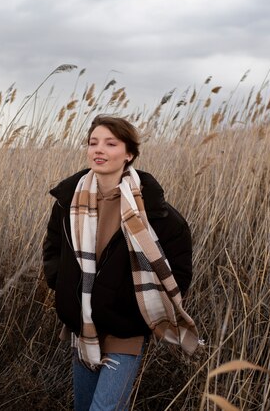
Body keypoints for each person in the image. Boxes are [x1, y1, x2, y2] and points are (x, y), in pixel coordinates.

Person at [43, 115, 200, 410]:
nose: (98, 150)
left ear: (129, 154)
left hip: (125, 328)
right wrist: (61, 284)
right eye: (93, 143)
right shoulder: (68, 203)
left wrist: (135, 305)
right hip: (83, 324)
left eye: (110, 143)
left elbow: (178, 266)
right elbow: (52, 249)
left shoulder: (152, 209)